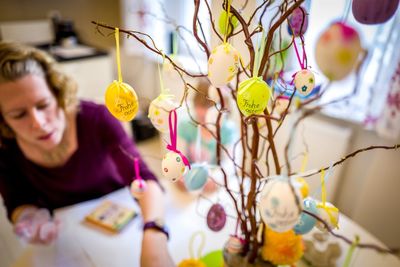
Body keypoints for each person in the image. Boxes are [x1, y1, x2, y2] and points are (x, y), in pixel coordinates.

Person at [0, 42, 174, 267]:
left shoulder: (97, 119)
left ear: (58, 93)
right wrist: (28, 217)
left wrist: (154, 232)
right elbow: (17, 200)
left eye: (43, 105)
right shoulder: (5, 148)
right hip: (66, 244)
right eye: (18, 114)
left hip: (124, 229)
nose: (39, 123)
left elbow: (143, 178)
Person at [177, 78, 238, 193]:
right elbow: (178, 157)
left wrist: (216, 179)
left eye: (208, 106)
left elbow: (229, 164)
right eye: (199, 104)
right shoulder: (186, 125)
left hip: (213, 187)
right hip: (190, 183)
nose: (202, 112)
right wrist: (180, 174)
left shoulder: (227, 131)